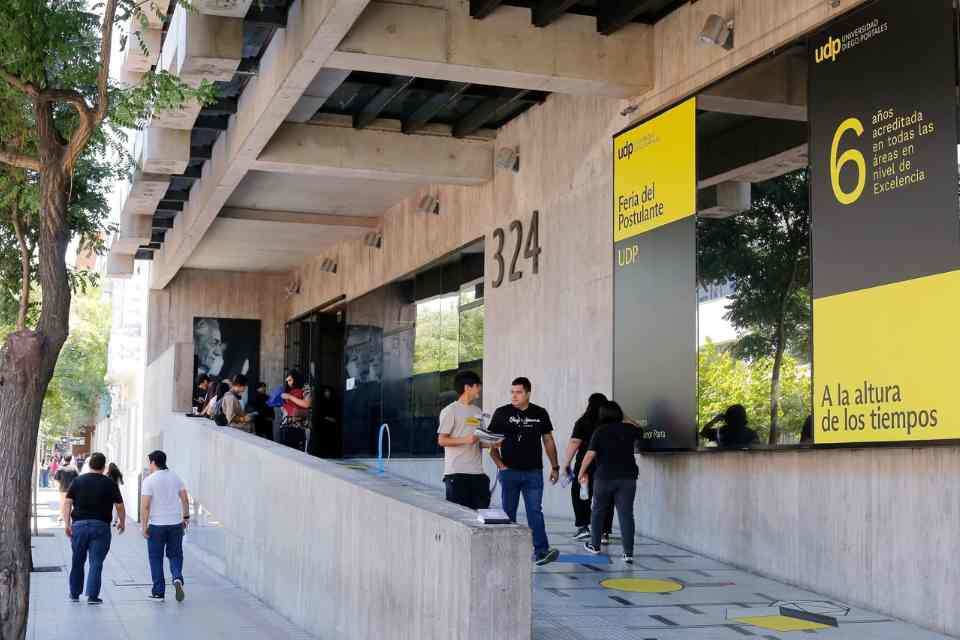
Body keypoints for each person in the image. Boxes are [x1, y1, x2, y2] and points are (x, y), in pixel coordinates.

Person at [488, 377, 561, 566]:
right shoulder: (502, 413)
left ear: (528, 393)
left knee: (535, 512)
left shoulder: (540, 413)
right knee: (508, 512)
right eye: (512, 392)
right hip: (509, 471)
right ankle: (505, 552)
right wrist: (500, 465)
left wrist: (555, 466)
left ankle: (541, 552)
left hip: (533, 472)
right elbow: (491, 442)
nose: (514, 396)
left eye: (519, 392)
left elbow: (548, 440)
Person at [578, 401, 643, 564]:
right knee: (626, 514)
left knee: (598, 511)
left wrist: (581, 472)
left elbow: (590, 454)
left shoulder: (600, 431)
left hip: (604, 477)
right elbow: (640, 429)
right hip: (628, 478)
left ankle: (595, 545)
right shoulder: (629, 429)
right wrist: (625, 417)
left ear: (602, 415)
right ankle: (628, 553)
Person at [62, 452, 125, 604]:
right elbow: (119, 505)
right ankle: (92, 596)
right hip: (100, 527)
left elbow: (67, 502)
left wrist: (67, 523)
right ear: (104, 467)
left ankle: (74, 593)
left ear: (90, 465)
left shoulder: (78, 481)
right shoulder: (110, 483)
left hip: (79, 526)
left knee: (77, 560)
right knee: (96, 562)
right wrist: (122, 522)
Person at [561, 393, 613, 542]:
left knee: (580, 493)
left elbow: (574, 442)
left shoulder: (583, 421)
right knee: (605, 497)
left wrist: (566, 463)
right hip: (606, 465)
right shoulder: (611, 423)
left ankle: (583, 527)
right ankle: (604, 532)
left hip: (585, 465)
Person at [140, 450, 189, 602]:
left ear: (153, 462)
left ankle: (158, 592)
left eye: (149, 462)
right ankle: (177, 577)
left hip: (157, 525)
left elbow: (145, 506)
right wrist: (186, 517)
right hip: (175, 524)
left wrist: (144, 526)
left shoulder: (149, 481)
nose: (149, 465)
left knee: (156, 558)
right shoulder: (175, 477)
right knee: (175, 554)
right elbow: (184, 498)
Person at [437, 371, 490, 510]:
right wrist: (466, 439)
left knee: (482, 517)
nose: (480, 389)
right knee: (459, 518)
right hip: (457, 474)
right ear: (467, 387)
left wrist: (493, 443)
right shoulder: (450, 410)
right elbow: (442, 440)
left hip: (478, 474)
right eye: (477, 386)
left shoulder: (478, 411)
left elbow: (479, 441)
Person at [280, 368, 312, 451]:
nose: (289, 383)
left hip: (300, 426)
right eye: (287, 381)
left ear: (296, 378)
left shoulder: (305, 387)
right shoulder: (288, 389)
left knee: (298, 453)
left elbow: (306, 404)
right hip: (286, 425)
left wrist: (289, 397)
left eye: (290, 380)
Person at [55, 455, 80, 523]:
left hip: (62, 489)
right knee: (71, 504)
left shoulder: (60, 468)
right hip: (72, 489)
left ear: (64, 459)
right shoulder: (74, 468)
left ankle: (62, 516)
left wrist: (60, 484)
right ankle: (70, 517)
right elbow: (78, 478)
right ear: (71, 459)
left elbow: (56, 479)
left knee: (62, 503)